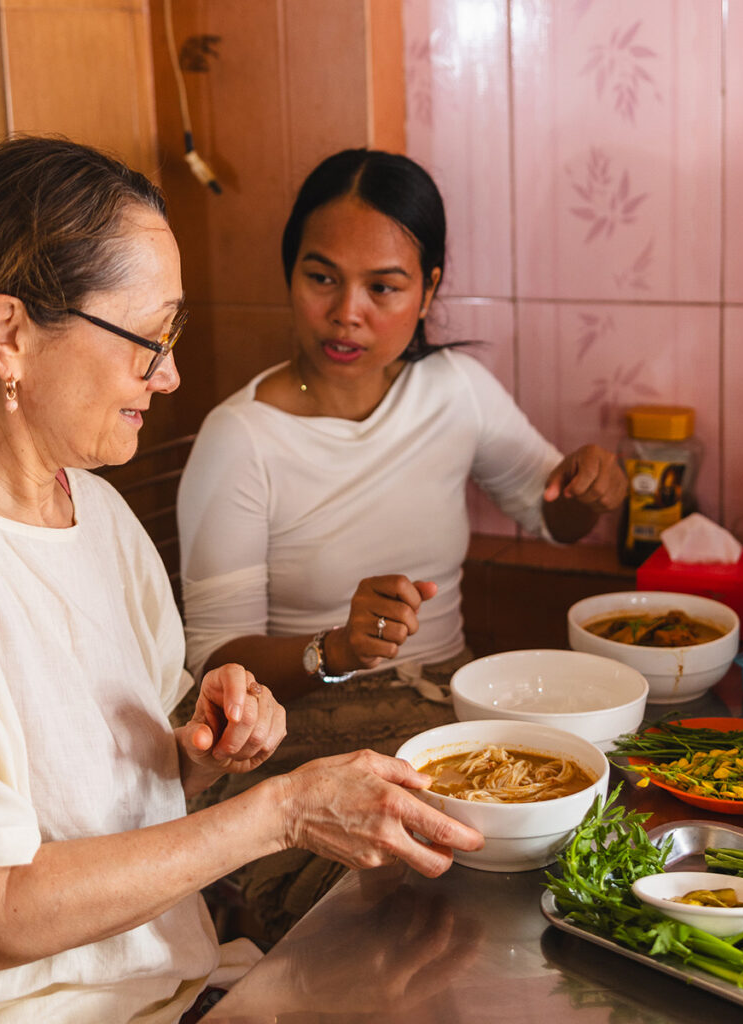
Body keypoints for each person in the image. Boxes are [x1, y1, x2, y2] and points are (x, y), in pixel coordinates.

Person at [0, 135, 484, 1024]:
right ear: (9, 335)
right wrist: (280, 811)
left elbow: (130, 793)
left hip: (164, 991)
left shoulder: (95, 513)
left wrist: (198, 751)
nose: (172, 374)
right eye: (148, 340)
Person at [175, 147, 628, 942]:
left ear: (430, 291)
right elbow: (216, 663)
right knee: (403, 916)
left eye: (383, 287)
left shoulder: (454, 391)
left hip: (454, 721)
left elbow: (551, 513)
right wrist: (335, 646)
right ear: (291, 277)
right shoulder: (240, 439)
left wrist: (589, 487)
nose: (348, 312)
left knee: (573, 856)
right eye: (321, 278)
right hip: (296, 746)